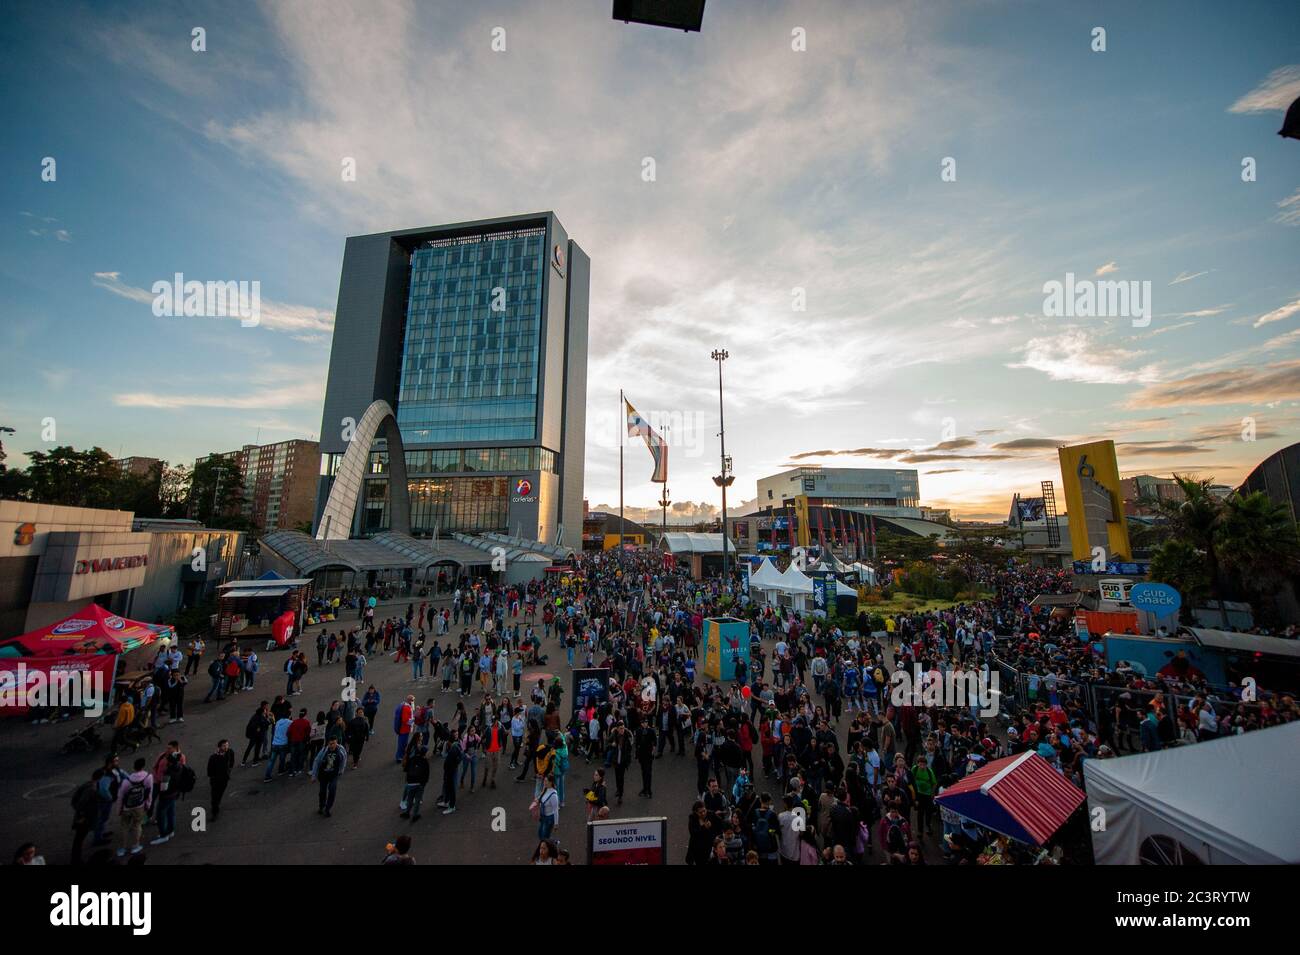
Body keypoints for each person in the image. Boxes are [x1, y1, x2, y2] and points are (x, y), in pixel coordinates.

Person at [115, 757, 153, 858]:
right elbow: (149, 793)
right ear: (143, 766)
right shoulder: (148, 777)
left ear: (134, 767)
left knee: (124, 827)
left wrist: (119, 810)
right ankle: (136, 845)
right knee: (137, 826)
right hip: (140, 806)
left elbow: (120, 797)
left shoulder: (127, 781)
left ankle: (122, 848)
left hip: (127, 808)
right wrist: (148, 805)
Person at [311, 738, 347, 817]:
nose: (332, 745)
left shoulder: (340, 750)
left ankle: (327, 809)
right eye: (330, 744)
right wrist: (314, 775)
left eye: (333, 743)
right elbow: (317, 761)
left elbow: (344, 759)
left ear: (336, 743)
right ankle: (321, 806)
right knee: (322, 792)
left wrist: (341, 771)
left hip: (333, 775)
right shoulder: (324, 751)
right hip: (323, 775)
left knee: (332, 791)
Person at [401, 745, 431, 821]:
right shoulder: (425, 762)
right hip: (419, 784)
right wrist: (423, 784)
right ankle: (415, 815)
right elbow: (426, 775)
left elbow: (406, 769)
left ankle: (407, 812)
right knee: (417, 799)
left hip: (410, 782)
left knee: (410, 798)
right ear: (425, 753)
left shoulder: (412, 759)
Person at [438, 730, 463, 814]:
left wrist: (456, 761)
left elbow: (461, 755)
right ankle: (446, 801)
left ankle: (452, 806)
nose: (456, 736)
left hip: (453, 768)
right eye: (455, 734)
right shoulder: (447, 744)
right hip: (448, 767)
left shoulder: (458, 744)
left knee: (452, 786)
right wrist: (449, 755)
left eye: (457, 734)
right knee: (447, 784)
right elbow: (443, 754)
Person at [536, 774, 560, 841]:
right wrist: (537, 800)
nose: (544, 782)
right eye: (544, 781)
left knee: (545, 837)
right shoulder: (545, 789)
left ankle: (547, 848)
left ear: (551, 782)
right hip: (543, 817)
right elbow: (540, 797)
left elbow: (556, 810)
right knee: (540, 833)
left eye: (546, 781)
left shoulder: (553, 795)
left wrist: (556, 823)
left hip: (549, 819)